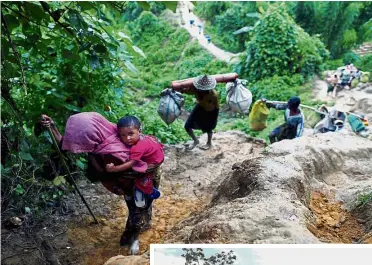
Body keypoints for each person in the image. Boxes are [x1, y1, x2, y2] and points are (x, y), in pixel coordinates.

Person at [40, 113, 162, 254]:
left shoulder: (123, 145)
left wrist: (140, 171)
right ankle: (139, 224)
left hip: (144, 180)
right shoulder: (99, 143)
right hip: (125, 184)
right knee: (135, 207)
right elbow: (64, 144)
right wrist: (53, 126)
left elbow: (156, 159)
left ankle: (133, 235)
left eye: (85, 142)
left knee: (139, 208)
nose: (83, 147)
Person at [180, 75, 219, 150]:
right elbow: (189, 91)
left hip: (210, 111)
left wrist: (214, 117)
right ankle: (195, 140)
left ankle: (209, 143)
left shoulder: (213, 95)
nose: (202, 90)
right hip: (200, 107)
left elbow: (216, 106)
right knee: (187, 126)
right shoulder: (196, 89)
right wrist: (182, 90)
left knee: (208, 127)